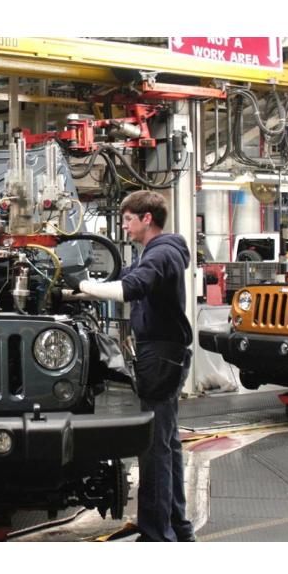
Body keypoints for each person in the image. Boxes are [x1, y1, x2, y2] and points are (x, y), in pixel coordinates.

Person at [64, 190, 195, 542]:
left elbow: (131, 288)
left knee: (153, 446)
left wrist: (84, 283)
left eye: (127, 220)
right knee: (168, 444)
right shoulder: (155, 252)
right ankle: (177, 527)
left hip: (161, 355)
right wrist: (77, 294)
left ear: (146, 219)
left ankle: (156, 536)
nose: (123, 226)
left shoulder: (163, 252)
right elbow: (121, 282)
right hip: (164, 353)